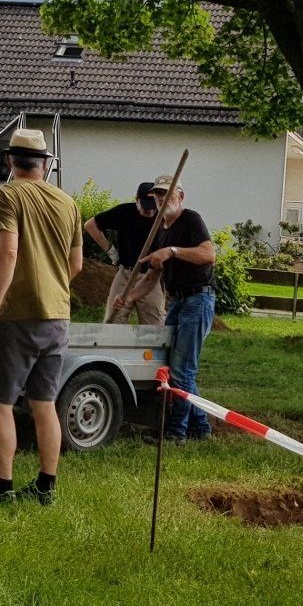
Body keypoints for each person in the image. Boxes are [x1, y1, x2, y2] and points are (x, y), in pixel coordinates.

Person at [0, 129, 84, 504]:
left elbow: (7, 253)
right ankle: (45, 487)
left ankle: (2, 488)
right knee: (44, 404)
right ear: (44, 163)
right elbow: (76, 264)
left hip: (17, 316)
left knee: (0, 402)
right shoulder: (68, 203)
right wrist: (51, 285)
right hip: (58, 317)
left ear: (10, 161)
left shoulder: (6, 195)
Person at [110, 175, 217, 441]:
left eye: (166, 194)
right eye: (157, 195)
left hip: (198, 299)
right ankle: (200, 427)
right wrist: (129, 297)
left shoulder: (190, 219)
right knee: (176, 365)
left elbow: (208, 255)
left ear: (180, 197)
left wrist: (172, 251)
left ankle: (176, 432)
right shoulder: (161, 230)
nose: (160, 199)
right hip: (178, 301)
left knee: (182, 369)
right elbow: (151, 278)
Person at [86, 182, 166, 324]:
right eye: (145, 207)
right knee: (113, 321)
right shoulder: (124, 212)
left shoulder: (162, 218)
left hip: (150, 277)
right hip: (125, 274)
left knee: (155, 326)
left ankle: (149, 340)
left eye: (153, 207)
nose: (150, 211)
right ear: (137, 200)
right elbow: (90, 225)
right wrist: (110, 251)